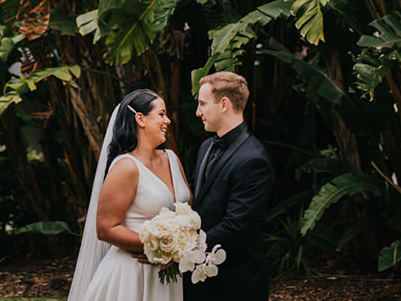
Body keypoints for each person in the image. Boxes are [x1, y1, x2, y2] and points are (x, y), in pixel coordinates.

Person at [68, 88, 191, 301]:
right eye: (161, 114)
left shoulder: (172, 159)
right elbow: (105, 228)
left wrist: (181, 246)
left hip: (169, 274)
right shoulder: (126, 167)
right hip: (132, 274)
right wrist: (160, 249)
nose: (168, 120)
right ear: (140, 119)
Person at [184, 71, 273, 301]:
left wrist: (186, 249)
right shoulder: (206, 147)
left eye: (203, 104)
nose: (198, 112)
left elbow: (236, 226)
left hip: (235, 283)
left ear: (224, 104)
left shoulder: (253, 159)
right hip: (199, 279)